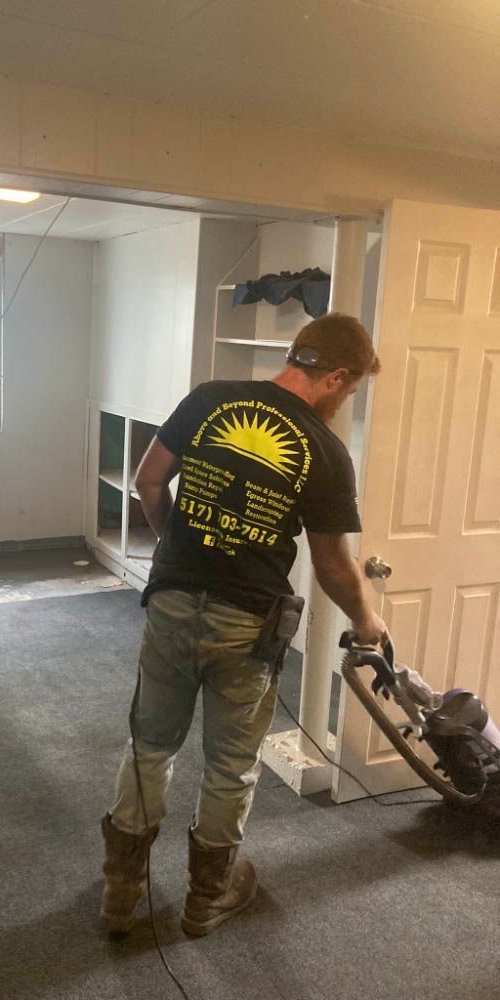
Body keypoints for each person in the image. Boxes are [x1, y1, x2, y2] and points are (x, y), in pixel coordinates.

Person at [100, 312, 388, 938]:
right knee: (231, 765)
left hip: (172, 605)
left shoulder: (209, 400)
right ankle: (207, 897)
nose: (346, 402)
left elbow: (150, 480)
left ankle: (121, 886)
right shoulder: (326, 452)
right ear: (335, 375)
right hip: (247, 626)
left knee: (150, 745)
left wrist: (174, 543)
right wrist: (368, 617)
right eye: (352, 389)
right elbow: (334, 565)